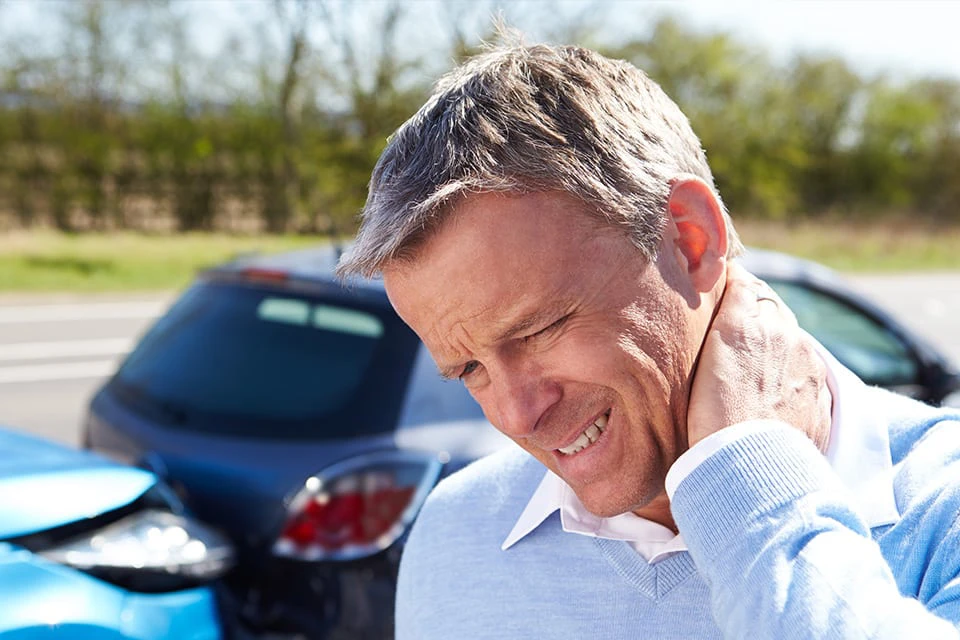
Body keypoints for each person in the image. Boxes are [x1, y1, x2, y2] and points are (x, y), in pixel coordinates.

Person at [336, 40, 960, 639]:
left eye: (540, 328)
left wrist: (752, 493)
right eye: (469, 369)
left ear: (690, 240)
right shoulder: (457, 530)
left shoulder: (943, 507)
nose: (517, 414)